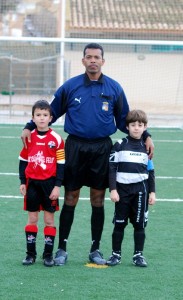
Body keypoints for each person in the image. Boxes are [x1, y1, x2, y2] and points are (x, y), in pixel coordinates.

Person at [21, 43, 154, 266]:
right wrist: (28, 126)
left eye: (97, 57)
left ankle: (95, 249)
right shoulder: (70, 86)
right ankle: (62, 248)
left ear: (103, 61)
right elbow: (50, 114)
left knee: (97, 199)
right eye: (89, 57)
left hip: (102, 149)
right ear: (83, 61)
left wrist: (146, 135)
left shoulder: (114, 88)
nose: (93, 60)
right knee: (70, 197)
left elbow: (124, 120)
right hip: (75, 148)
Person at [106, 109, 156, 267]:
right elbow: (112, 168)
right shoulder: (120, 145)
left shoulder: (146, 147)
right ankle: (115, 255)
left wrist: (152, 192)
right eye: (133, 125)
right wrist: (113, 189)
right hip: (122, 191)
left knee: (139, 224)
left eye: (140, 125)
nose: (136, 128)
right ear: (127, 126)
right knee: (119, 224)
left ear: (145, 127)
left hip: (141, 191)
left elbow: (151, 172)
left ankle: (138, 255)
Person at [19, 100, 65, 267]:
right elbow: (23, 160)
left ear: (51, 118)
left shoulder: (57, 139)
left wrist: (57, 186)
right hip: (32, 184)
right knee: (32, 219)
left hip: (49, 184)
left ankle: (48, 255)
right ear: (33, 117)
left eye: (45, 115)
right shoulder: (28, 137)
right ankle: (30, 254)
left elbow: (61, 164)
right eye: (38, 115)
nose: (41, 118)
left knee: (49, 221)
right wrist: (23, 181)